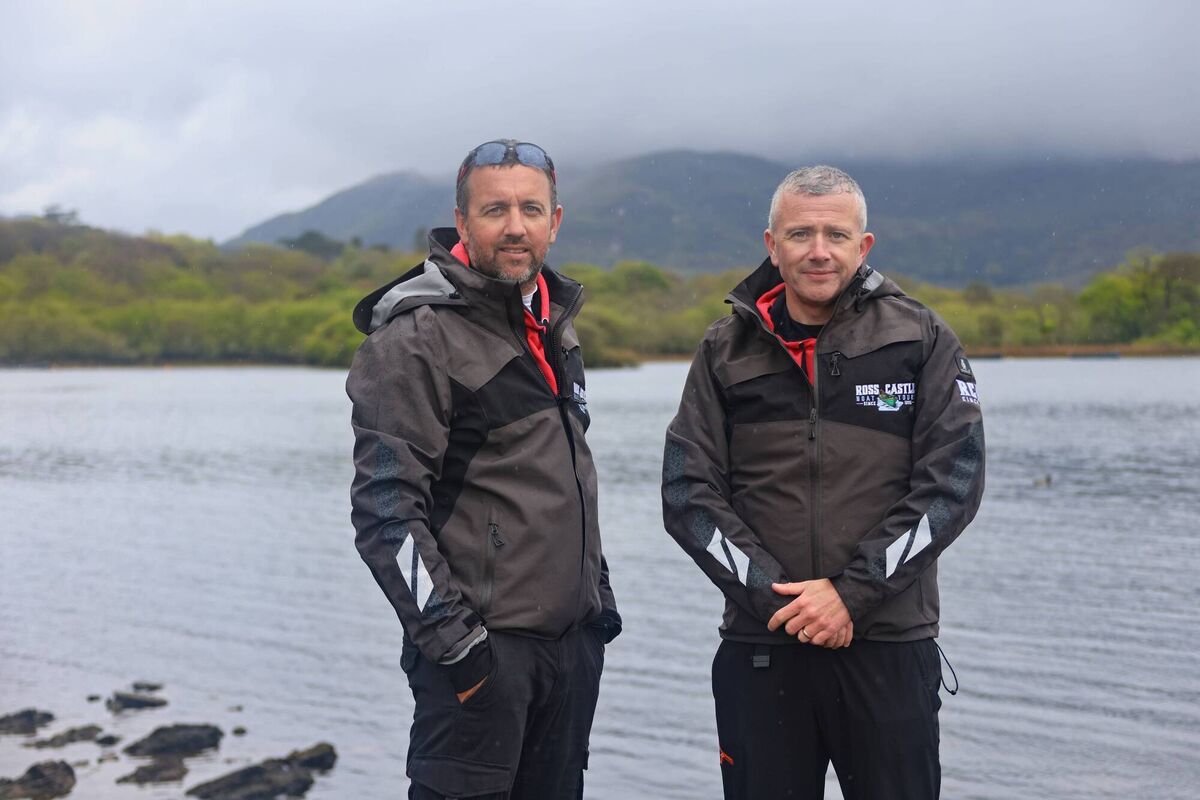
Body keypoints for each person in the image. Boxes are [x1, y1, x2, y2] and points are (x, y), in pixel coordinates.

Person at [662, 165, 984, 799]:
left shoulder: (920, 338)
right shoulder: (724, 351)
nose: (818, 251)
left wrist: (849, 594)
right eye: (800, 233)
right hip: (763, 646)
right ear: (771, 245)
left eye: (835, 234)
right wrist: (782, 602)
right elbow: (687, 494)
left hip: (888, 646)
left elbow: (954, 484)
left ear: (863, 247)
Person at [347, 139, 621, 799]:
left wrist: (597, 612)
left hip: (567, 654)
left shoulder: (555, 328)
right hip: (480, 659)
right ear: (462, 222)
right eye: (495, 209)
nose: (515, 226)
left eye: (532, 209)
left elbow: (564, 480)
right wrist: (460, 649)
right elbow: (385, 512)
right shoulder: (415, 341)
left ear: (555, 221)